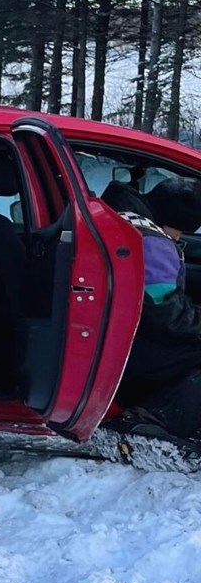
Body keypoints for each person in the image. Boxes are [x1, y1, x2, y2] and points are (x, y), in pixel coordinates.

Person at [113, 176, 201, 440]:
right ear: (172, 219)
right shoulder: (153, 243)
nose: (180, 237)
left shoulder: (129, 220)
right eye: (181, 230)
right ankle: (154, 419)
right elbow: (166, 314)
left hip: (117, 340)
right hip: (127, 353)